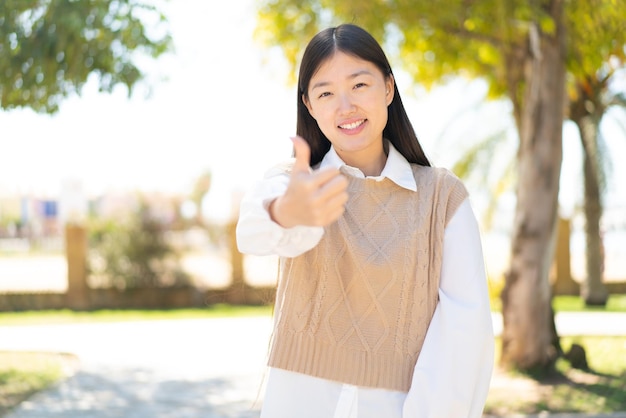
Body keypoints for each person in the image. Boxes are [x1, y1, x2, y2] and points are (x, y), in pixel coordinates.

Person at [236, 23, 494, 418]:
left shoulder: (443, 199)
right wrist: (286, 212)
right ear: (309, 105)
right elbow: (252, 231)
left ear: (388, 88)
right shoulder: (294, 182)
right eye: (325, 93)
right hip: (299, 403)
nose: (345, 106)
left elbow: (465, 331)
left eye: (359, 85)